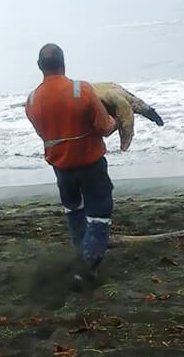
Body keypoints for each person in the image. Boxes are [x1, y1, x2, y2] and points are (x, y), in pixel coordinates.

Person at [25, 43, 117, 285]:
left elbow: (44, 134)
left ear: (39, 67)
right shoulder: (82, 91)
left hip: (62, 170)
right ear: (64, 63)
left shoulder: (31, 100)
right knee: (99, 213)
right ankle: (85, 268)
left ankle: (82, 258)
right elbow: (105, 128)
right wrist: (118, 118)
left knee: (74, 211)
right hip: (91, 166)